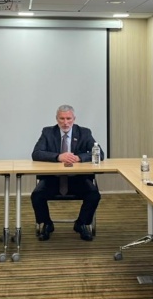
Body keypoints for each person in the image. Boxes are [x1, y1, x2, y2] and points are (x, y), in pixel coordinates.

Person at [31, 104, 104, 242]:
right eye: (62, 119)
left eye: (68, 119)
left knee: (94, 194)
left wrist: (79, 158)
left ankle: (81, 223)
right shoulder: (48, 132)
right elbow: (36, 153)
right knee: (37, 195)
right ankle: (47, 224)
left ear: (74, 119)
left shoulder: (84, 132)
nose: (65, 122)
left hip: (77, 179)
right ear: (56, 119)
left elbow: (100, 154)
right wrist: (58, 157)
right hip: (53, 179)